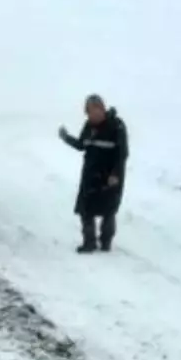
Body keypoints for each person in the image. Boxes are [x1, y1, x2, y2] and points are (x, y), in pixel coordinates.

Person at [58, 94, 129, 253]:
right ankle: (89, 242)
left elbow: (122, 153)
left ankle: (106, 242)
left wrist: (115, 174)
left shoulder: (117, 126)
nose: (93, 114)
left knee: (108, 210)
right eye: (89, 111)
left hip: (110, 176)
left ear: (102, 108)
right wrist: (66, 138)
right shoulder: (89, 126)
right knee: (86, 210)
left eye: (96, 109)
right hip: (90, 175)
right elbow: (81, 145)